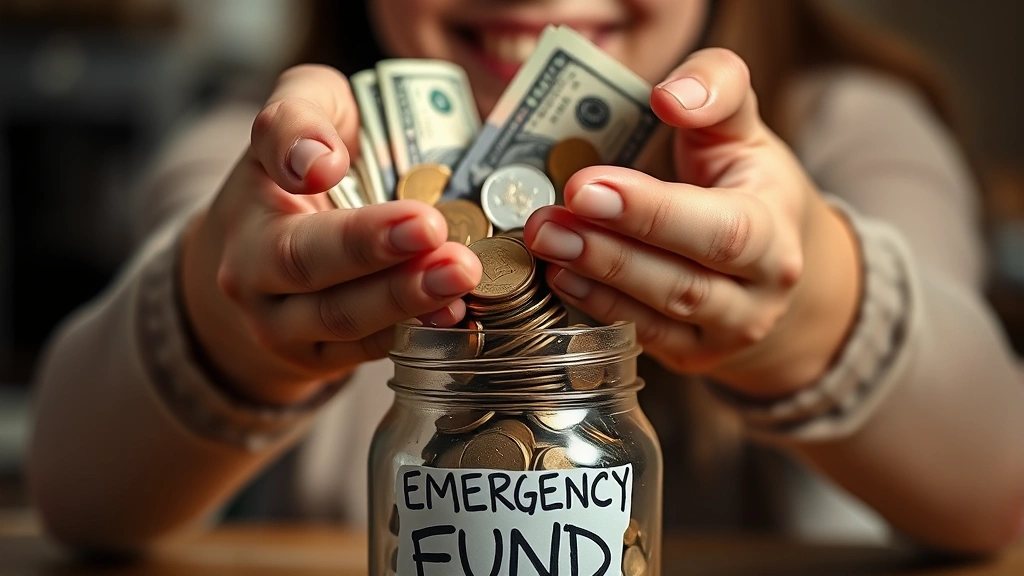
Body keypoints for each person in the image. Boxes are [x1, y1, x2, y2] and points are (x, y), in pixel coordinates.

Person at [29, 0, 1024, 556]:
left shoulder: (850, 127)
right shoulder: (272, 153)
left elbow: (999, 482)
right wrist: (228, 317)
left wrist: (810, 306)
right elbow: (72, 492)